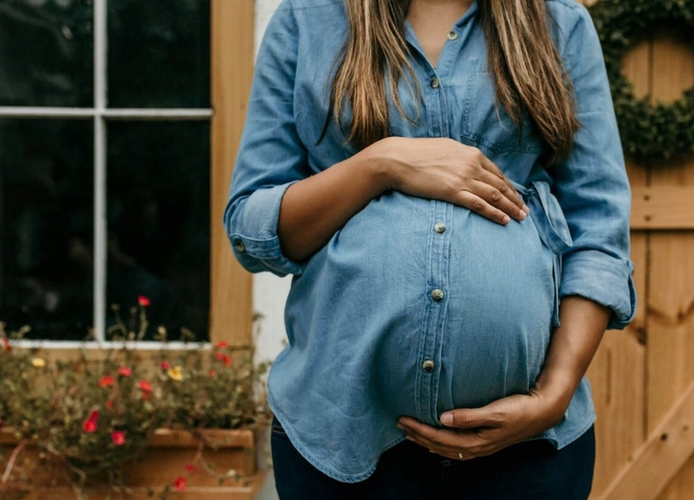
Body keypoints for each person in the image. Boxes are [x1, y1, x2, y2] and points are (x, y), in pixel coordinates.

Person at [224, 0, 636, 497]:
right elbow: (252, 226)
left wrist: (554, 394)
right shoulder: (307, 20)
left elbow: (599, 227)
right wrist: (381, 162)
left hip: (529, 449)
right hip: (342, 441)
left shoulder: (559, 22)